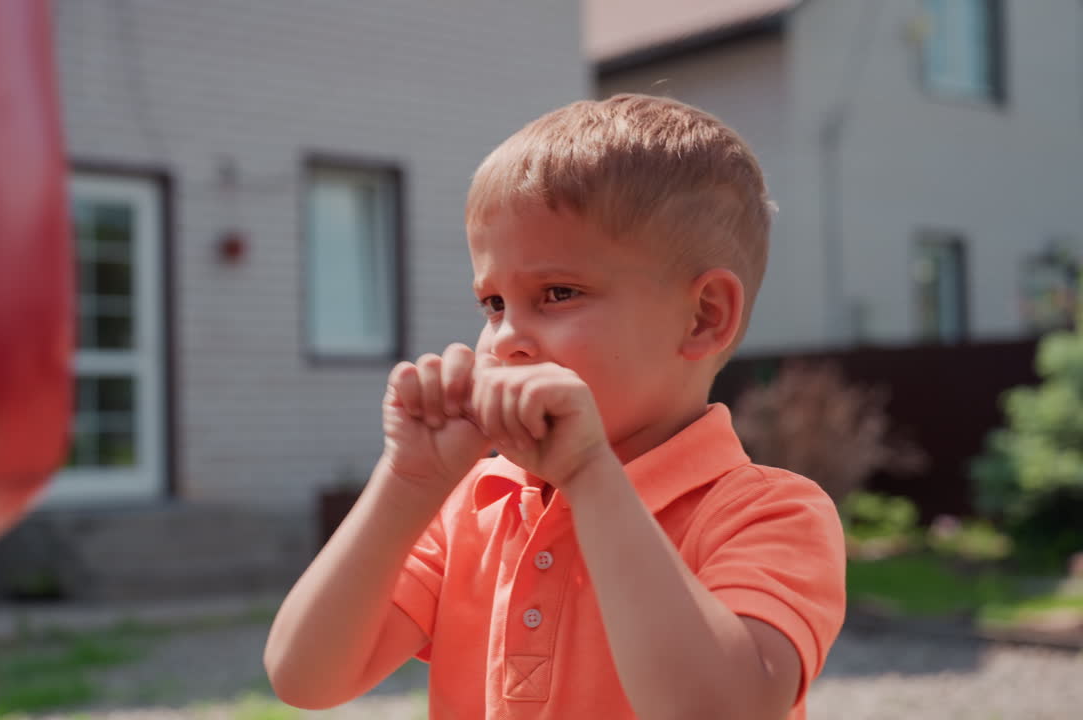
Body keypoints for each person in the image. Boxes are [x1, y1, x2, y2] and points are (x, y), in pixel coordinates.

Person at [264, 94, 846, 719]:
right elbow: (305, 677)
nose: (507, 336)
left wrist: (592, 475)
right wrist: (406, 484)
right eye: (493, 304)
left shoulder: (770, 516)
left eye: (557, 293)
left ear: (703, 317)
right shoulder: (476, 507)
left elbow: (723, 709)